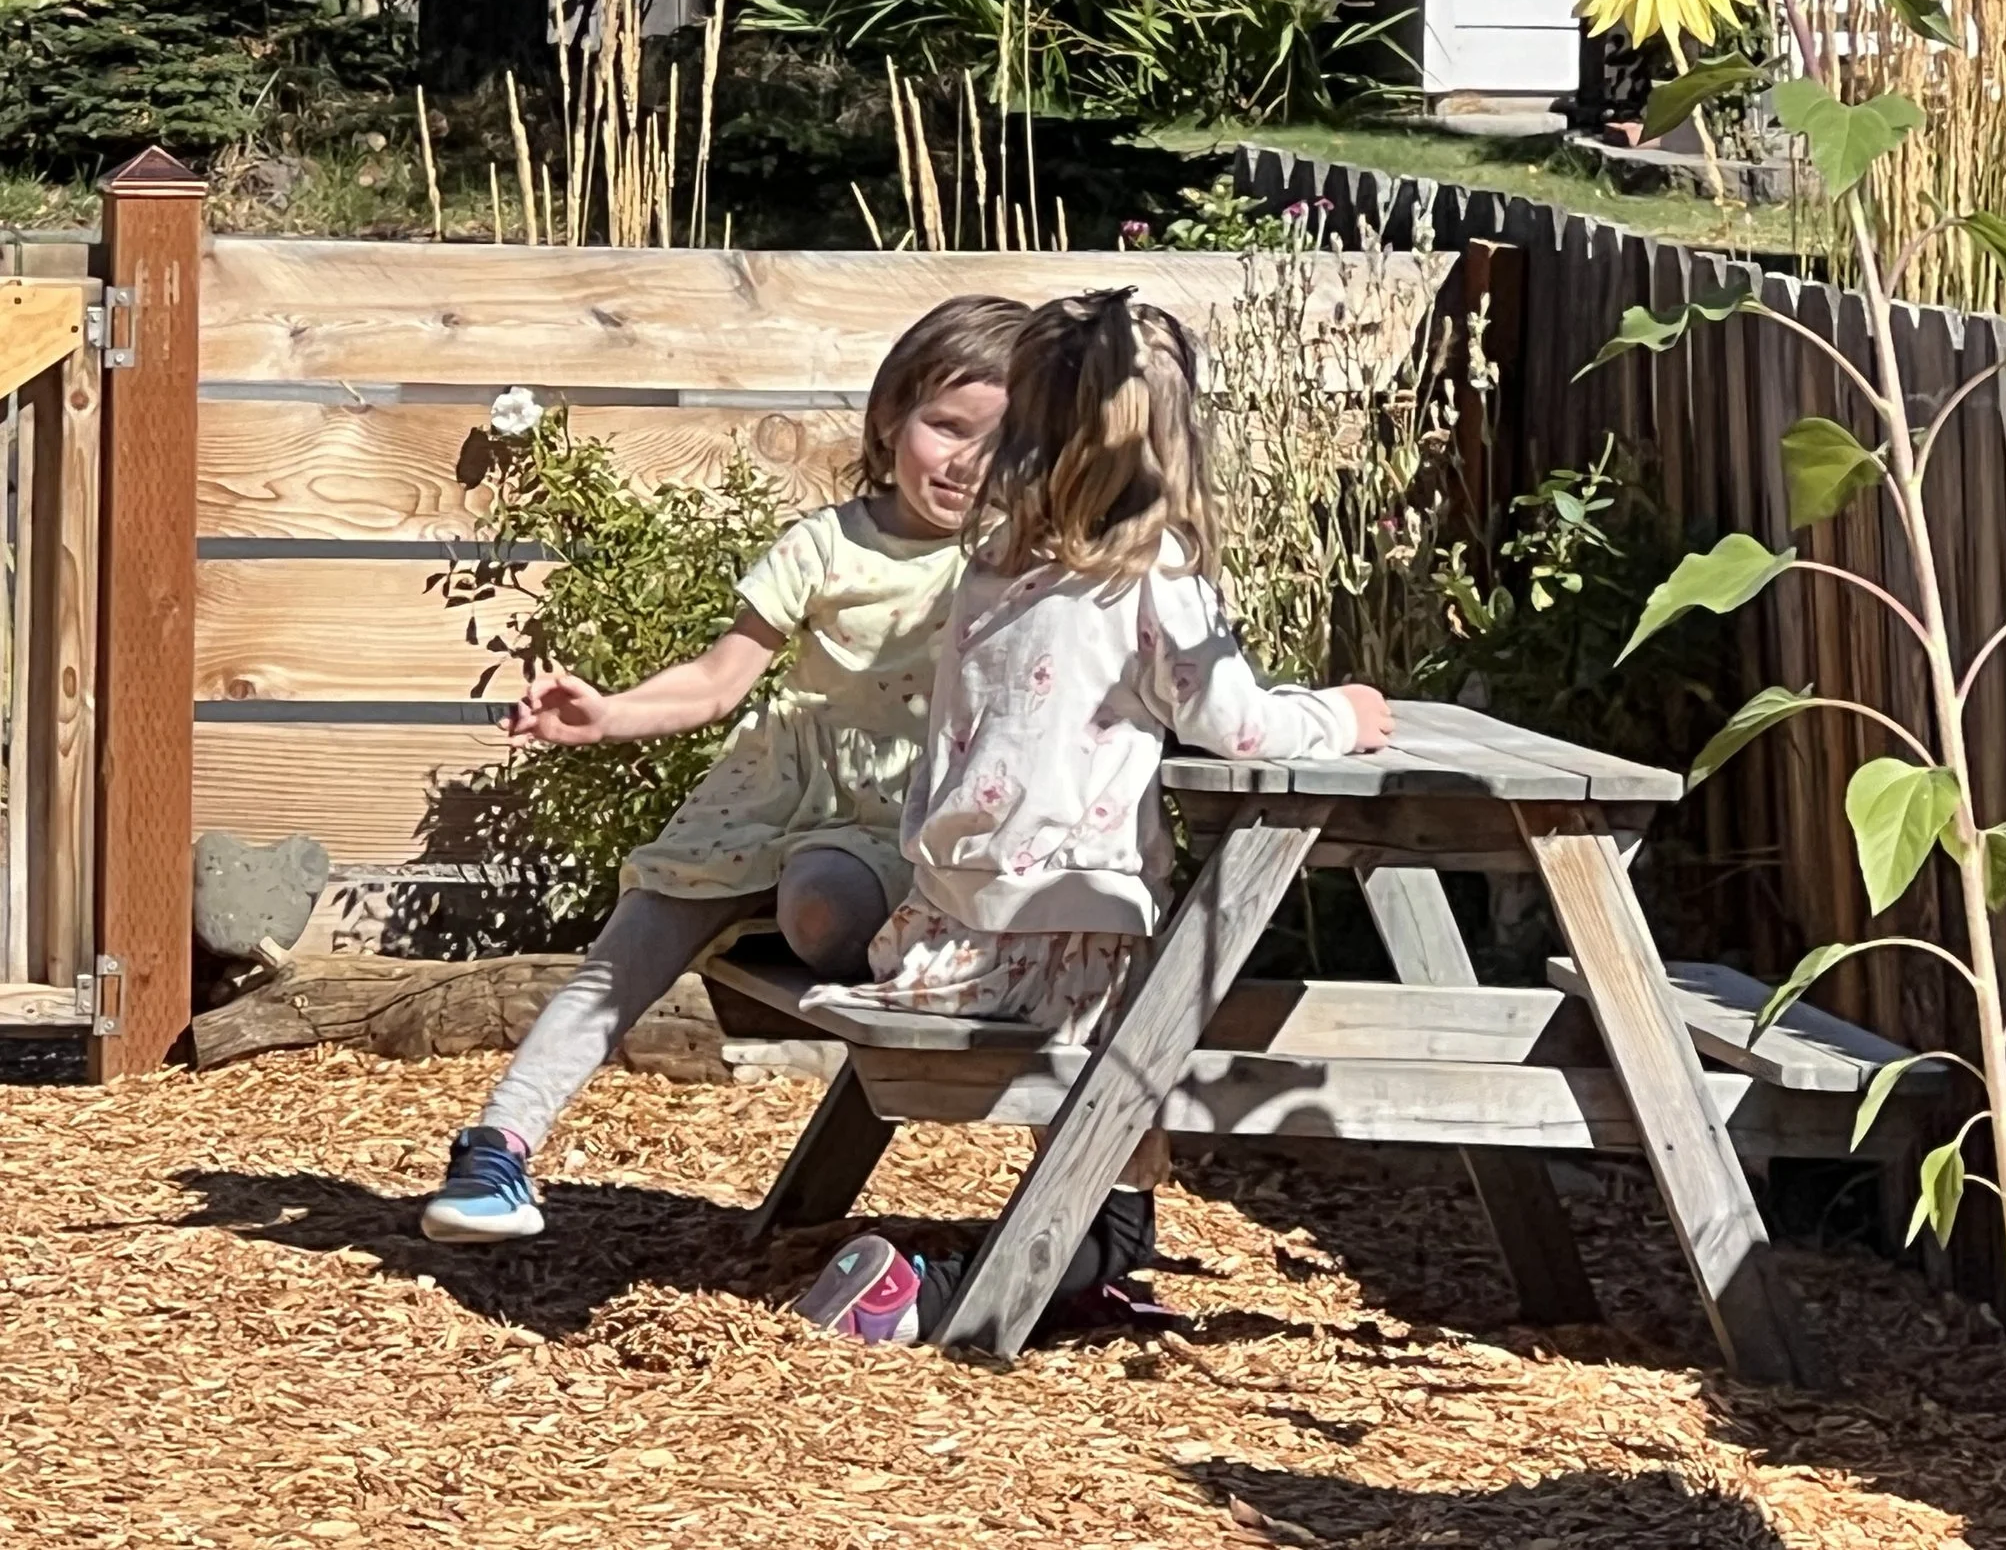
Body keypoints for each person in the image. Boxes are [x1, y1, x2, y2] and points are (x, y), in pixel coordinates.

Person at [794, 288, 1394, 1342]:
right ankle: (926, 1291)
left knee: (1115, 1131)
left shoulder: (997, 561)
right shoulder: (1151, 575)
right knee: (1117, 1164)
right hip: (1068, 936)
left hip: (942, 930)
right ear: (1172, 438)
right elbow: (1239, 727)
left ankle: (1075, 1271)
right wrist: (1341, 715)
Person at [420, 293, 1030, 1244]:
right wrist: (609, 713)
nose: (963, 462)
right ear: (890, 420)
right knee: (639, 929)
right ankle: (500, 1143)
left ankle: (800, 913)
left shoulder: (1008, 560)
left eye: (997, 442)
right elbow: (717, 679)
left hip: (896, 820)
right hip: (775, 788)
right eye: (945, 427)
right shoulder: (827, 544)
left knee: (821, 902)